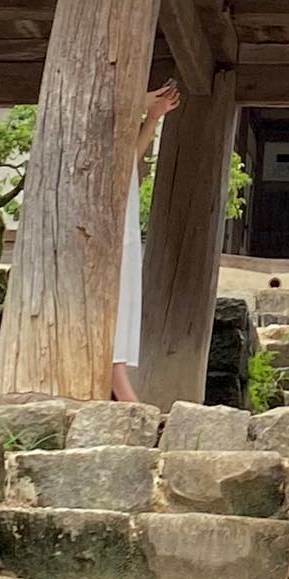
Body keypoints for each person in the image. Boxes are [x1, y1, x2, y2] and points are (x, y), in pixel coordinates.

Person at [112, 79, 180, 404]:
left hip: (121, 199)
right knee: (114, 286)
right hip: (95, 211)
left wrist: (152, 116)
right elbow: (97, 107)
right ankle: (117, 379)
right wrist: (138, 99)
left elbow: (129, 159)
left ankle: (118, 375)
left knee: (125, 285)